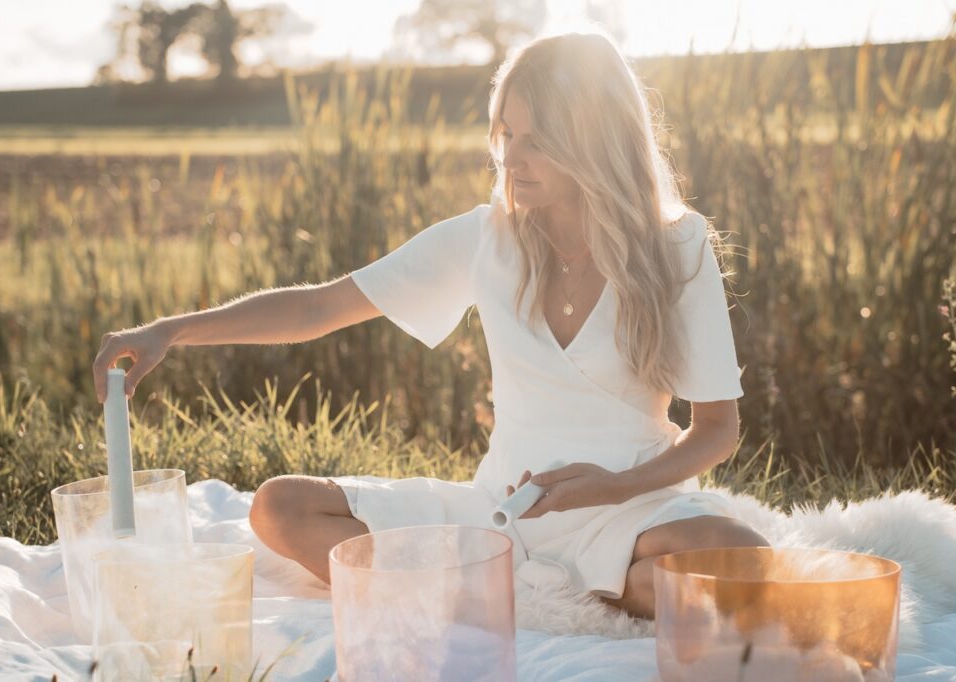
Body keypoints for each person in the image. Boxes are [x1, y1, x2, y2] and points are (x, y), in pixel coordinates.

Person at [93, 30, 769, 620]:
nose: (512, 158)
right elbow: (317, 307)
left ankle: (546, 588)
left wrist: (611, 487)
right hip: (499, 515)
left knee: (742, 556)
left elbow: (717, 429)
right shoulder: (486, 239)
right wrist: (170, 331)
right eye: (506, 135)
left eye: (538, 140)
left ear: (593, 139)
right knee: (280, 508)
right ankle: (561, 589)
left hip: (631, 510)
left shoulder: (678, 247)